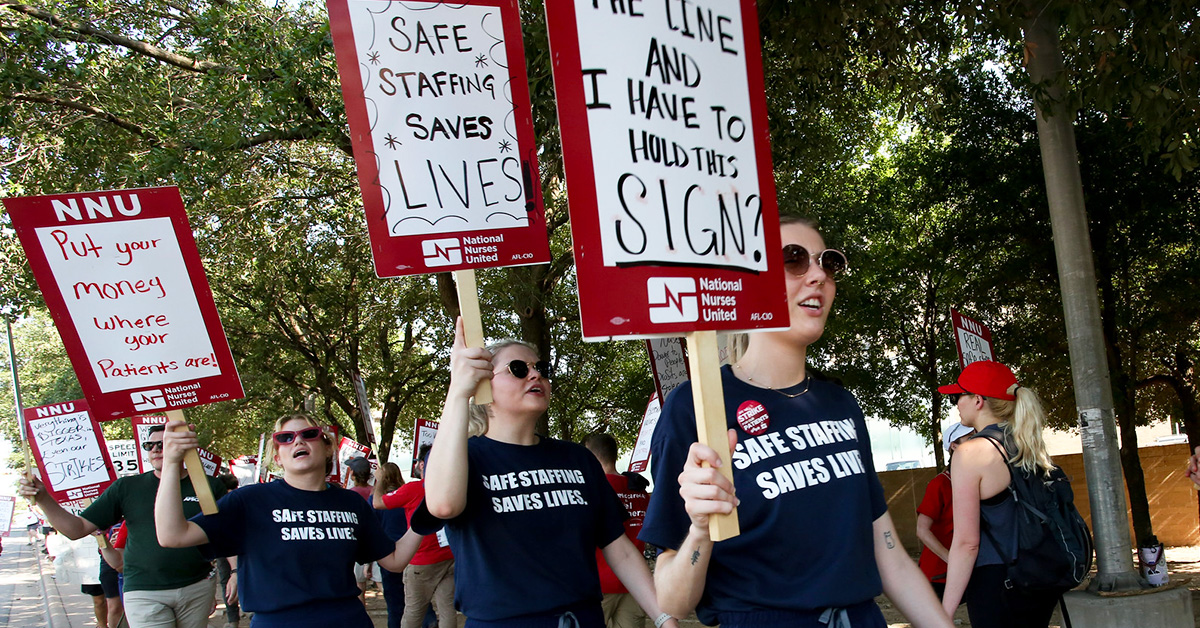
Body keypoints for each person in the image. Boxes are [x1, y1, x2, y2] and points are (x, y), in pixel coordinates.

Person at [640, 216, 952, 628]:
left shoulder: (841, 403)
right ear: (749, 283)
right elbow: (673, 601)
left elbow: (890, 555)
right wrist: (699, 529)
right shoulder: (696, 407)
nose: (819, 274)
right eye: (794, 259)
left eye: (828, 262)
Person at [419, 320, 677, 628]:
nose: (536, 374)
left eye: (541, 367)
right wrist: (459, 390)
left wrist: (663, 617)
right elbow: (443, 506)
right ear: (483, 385)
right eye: (518, 368)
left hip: (582, 619)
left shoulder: (577, 459)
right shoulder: (464, 457)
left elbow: (618, 549)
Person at [154, 414, 421, 628]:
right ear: (277, 457)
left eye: (308, 434)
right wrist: (171, 464)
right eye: (285, 438)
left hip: (348, 619)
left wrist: (425, 518)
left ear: (328, 448)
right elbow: (172, 535)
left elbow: (394, 562)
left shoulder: (350, 503)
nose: (297, 441)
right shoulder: (248, 501)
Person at [20, 424, 227, 628]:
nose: (155, 449)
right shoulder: (127, 487)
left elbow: (228, 535)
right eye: (149, 445)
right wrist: (43, 498)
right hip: (144, 591)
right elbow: (76, 529)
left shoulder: (208, 486)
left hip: (197, 587)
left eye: (163, 444)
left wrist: (232, 575)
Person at [938, 360, 1060, 626]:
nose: (956, 404)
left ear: (978, 400)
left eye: (958, 396)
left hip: (997, 581)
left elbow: (966, 543)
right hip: (1038, 573)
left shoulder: (970, 453)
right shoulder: (1027, 443)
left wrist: (942, 615)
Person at [376, 445, 456, 628]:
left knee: (413, 612)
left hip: (422, 560)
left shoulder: (413, 489)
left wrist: (379, 480)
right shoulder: (452, 487)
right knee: (447, 610)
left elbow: (378, 503)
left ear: (422, 464)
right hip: (449, 557)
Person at [583, 433, 652, 628]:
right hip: (634, 584)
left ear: (591, 455)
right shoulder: (639, 491)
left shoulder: (592, 489)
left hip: (600, 583)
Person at [916, 422, 974, 600]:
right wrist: (952, 560)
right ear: (954, 446)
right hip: (938, 575)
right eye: (970, 438)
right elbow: (921, 530)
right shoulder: (939, 484)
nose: (976, 441)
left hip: (974, 570)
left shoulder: (978, 479)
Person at [373, 462, 410, 628]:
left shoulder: (375, 501)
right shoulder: (407, 494)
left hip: (388, 554)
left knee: (394, 602)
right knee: (416, 598)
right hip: (411, 552)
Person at [346, 456, 377, 603]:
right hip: (376, 541)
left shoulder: (350, 495)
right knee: (381, 583)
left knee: (359, 587)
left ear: (353, 473)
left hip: (359, 544)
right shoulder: (375, 491)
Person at [215, 474, 242, 628]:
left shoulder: (239, 502)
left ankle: (239, 617)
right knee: (227, 581)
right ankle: (233, 619)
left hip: (239, 548)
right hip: (224, 548)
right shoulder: (216, 505)